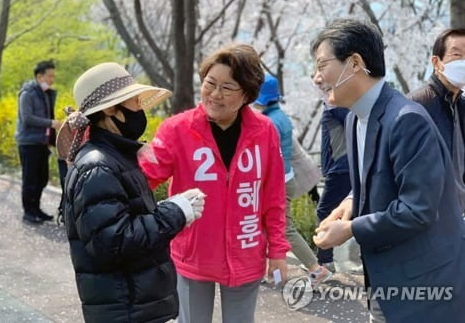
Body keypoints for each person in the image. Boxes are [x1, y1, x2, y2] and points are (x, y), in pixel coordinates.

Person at [311, 19, 465, 322]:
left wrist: (350, 230)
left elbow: (417, 209)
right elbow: (378, 178)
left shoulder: (406, 119)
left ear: (354, 63)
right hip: (388, 278)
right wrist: (350, 203)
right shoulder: (356, 118)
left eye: (322, 65)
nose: (317, 77)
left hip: (426, 284)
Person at [139, 43, 290, 323]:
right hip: (192, 254)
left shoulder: (264, 131)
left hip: (246, 252)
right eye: (210, 83)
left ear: (246, 94)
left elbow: (273, 196)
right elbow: (144, 176)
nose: (215, 94)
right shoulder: (177, 129)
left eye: (227, 87)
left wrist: (278, 251)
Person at [56, 62, 206, 323]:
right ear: (111, 110)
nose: (141, 109)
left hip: (135, 306)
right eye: (135, 102)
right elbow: (113, 242)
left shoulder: (114, 157)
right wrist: (175, 212)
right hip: (127, 311)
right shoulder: (97, 165)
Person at [253, 73, 331, 287]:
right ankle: (265, 271)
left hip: (276, 183)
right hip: (285, 179)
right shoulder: (280, 116)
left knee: (284, 228)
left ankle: (316, 269)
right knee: (263, 225)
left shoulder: (268, 122)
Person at [408, 28, 465, 216]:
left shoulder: (460, 104)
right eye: (457, 54)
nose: (463, 62)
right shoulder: (417, 105)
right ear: (436, 62)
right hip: (434, 216)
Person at [15, 60, 63, 224]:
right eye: (49, 76)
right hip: (28, 143)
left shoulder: (44, 93)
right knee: (30, 179)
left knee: (42, 178)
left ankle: (36, 209)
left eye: (53, 76)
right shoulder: (27, 93)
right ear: (39, 76)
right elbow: (27, 118)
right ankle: (28, 212)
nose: (52, 79)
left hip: (41, 142)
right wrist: (51, 123)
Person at [316, 105, 352, 271]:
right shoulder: (334, 107)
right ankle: (325, 260)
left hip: (340, 169)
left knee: (324, 212)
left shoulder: (337, 107)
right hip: (339, 168)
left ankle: (324, 261)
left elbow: (355, 122)